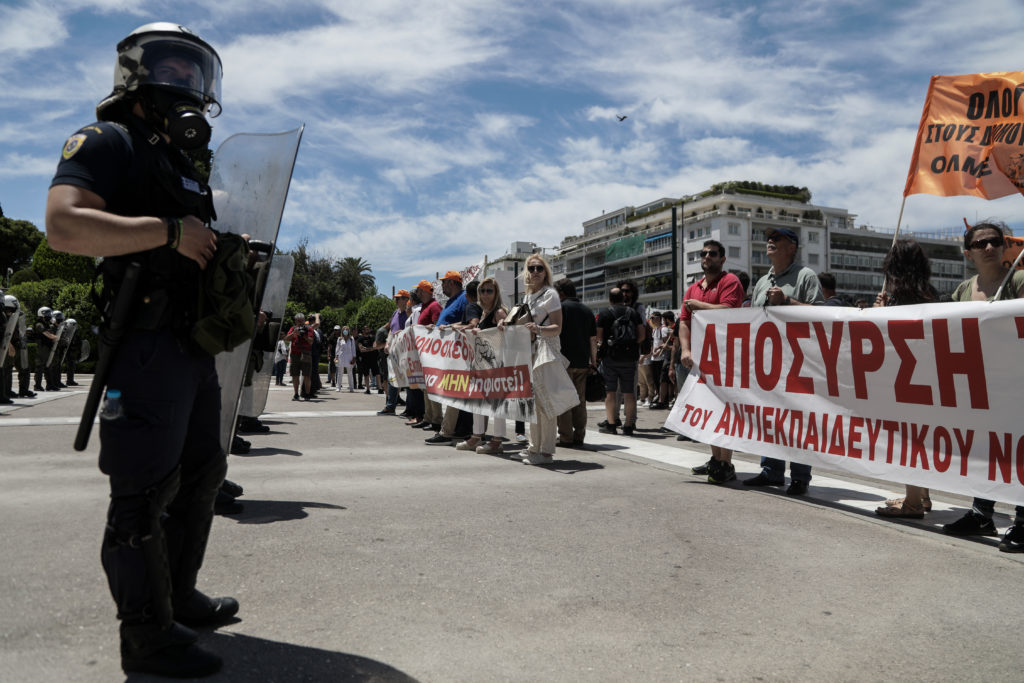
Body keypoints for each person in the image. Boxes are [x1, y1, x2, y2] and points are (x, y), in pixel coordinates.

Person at [44, 23, 232, 677]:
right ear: (134, 73)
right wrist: (169, 231)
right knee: (141, 492)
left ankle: (177, 596)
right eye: (172, 68)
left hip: (190, 345)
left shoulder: (180, 162)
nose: (186, 82)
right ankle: (145, 634)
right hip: (144, 345)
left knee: (203, 472)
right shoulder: (107, 140)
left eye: (195, 71)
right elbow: (64, 222)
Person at [941, 221, 1024, 552]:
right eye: (981, 243)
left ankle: (1022, 520)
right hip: (981, 385)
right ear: (968, 253)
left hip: (1016, 381)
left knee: (1018, 450)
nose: (988, 247)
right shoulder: (963, 289)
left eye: (994, 241)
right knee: (986, 449)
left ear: (1004, 246)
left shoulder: (1019, 280)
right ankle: (981, 513)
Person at [743, 227, 824, 495]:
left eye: (777, 239)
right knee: (769, 417)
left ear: (792, 247)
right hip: (767, 360)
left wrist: (787, 300)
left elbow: (822, 313)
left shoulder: (805, 276)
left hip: (797, 360)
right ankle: (771, 471)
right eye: (769, 238)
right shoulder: (763, 281)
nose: (770, 241)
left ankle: (800, 476)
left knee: (798, 418)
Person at [870, 240, 938, 519]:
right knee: (921, 438)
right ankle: (922, 496)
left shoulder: (900, 297)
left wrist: (879, 312)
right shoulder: (931, 293)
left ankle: (911, 503)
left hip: (904, 379)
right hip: (927, 378)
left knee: (909, 440)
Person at [673, 240, 744, 482]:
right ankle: (716, 460)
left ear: (722, 259)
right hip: (700, 359)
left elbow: (730, 311)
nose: (707, 257)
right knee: (707, 409)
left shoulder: (729, 281)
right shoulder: (693, 288)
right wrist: (685, 349)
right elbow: (684, 321)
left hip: (726, 357)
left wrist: (699, 306)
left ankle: (726, 463)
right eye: (703, 254)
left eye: (712, 254)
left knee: (726, 410)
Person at [504, 254, 564, 464]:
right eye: (531, 268)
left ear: (546, 271)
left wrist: (538, 328)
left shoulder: (551, 294)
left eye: (539, 268)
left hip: (546, 350)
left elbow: (558, 328)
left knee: (545, 403)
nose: (535, 272)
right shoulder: (529, 297)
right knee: (533, 403)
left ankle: (546, 451)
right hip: (530, 351)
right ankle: (534, 447)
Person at [456, 278, 509, 453]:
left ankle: (497, 440)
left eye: (489, 291)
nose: (485, 294)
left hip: (496, 364)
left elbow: (504, 334)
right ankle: (476, 436)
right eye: (483, 291)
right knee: (477, 399)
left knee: (496, 402)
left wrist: (501, 324)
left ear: (496, 293)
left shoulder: (499, 312)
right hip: (482, 364)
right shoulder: (484, 313)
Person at [553, 278, 597, 448]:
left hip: (563, 361)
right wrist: (593, 362)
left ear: (561, 293)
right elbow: (592, 339)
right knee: (580, 400)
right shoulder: (587, 310)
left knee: (563, 400)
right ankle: (579, 435)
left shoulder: (560, 309)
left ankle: (565, 436)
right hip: (582, 363)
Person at [596, 287, 644, 436]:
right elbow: (641, 335)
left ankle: (611, 425)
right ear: (623, 299)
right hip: (629, 358)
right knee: (629, 393)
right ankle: (628, 425)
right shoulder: (633, 313)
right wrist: (629, 345)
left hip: (610, 357)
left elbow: (599, 338)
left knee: (610, 392)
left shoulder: (604, 314)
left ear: (610, 299)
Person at [377, 290, 410, 415]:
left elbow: (411, 329)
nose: (396, 300)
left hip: (406, 351)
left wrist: (401, 333)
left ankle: (409, 408)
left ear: (406, 299)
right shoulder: (395, 313)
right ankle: (390, 406)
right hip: (394, 352)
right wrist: (387, 343)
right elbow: (391, 330)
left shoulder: (409, 313)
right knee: (392, 378)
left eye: (399, 298)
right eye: (396, 298)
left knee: (407, 381)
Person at [286, 313, 315, 401]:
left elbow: (311, 342)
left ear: (304, 320)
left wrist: (304, 336)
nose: (300, 323)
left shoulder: (309, 329)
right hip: (295, 354)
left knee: (307, 375)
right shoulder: (293, 328)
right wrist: (294, 333)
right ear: (295, 321)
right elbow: (286, 339)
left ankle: (307, 394)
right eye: (298, 321)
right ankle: (296, 394)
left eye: (301, 321)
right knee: (295, 375)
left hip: (306, 354)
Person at [33, 306, 57, 392]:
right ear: (41, 314)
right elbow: (45, 333)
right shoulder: (39, 324)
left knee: (48, 366)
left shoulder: (46, 324)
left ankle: (50, 385)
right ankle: (37, 385)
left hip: (47, 347)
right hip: (41, 347)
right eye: (47, 313)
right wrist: (53, 337)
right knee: (40, 366)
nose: (49, 315)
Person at [334, 326, 357, 392]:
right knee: (340, 373)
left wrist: (354, 357)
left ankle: (351, 387)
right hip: (341, 357)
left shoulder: (351, 339)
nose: (345, 331)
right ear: (342, 331)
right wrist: (336, 356)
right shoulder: (339, 339)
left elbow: (353, 349)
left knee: (350, 373)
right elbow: (337, 348)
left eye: (347, 330)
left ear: (348, 331)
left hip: (349, 357)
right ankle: (338, 387)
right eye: (344, 330)